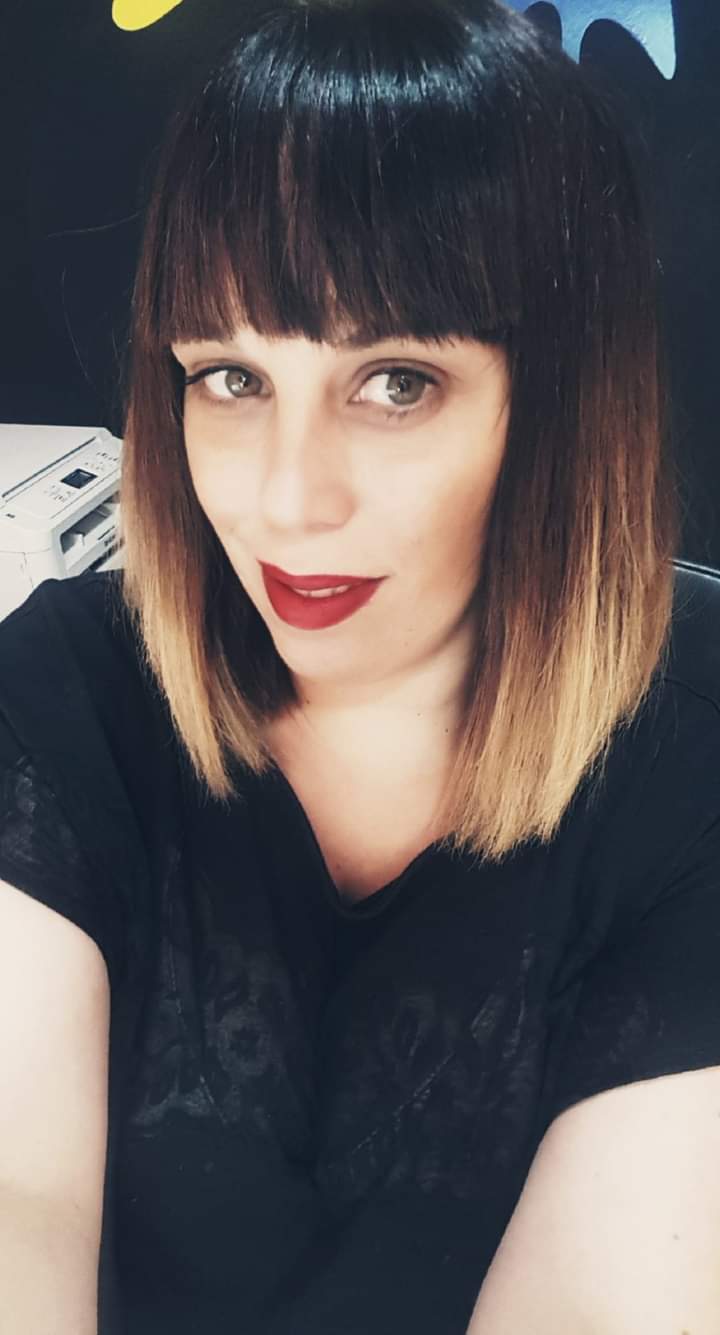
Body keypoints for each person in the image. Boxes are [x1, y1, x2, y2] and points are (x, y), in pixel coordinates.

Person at [1, 0, 719, 1331]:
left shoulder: (693, 763)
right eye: (230, 377)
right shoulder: (67, 692)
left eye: (396, 382)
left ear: (561, 405)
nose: (287, 501)